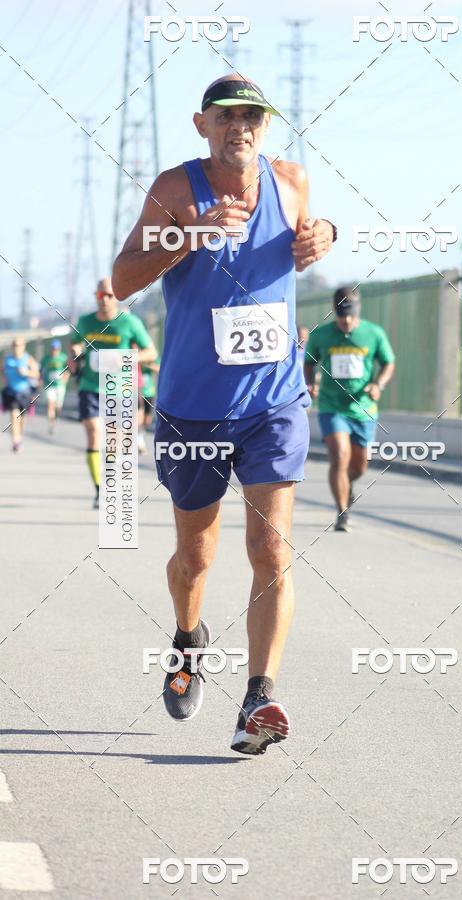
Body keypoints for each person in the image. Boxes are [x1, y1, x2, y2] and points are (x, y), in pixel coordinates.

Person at [112, 74, 335, 755]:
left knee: (271, 548)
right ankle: (188, 639)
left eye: (253, 117)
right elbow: (121, 280)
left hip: (273, 402)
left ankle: (258, 700)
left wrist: (325, 233)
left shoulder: (291, 180)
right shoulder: (177, 191)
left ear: (267, 127)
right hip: (193, 409)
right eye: (227, 117)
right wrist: (188, 237)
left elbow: (311, 232)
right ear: (201, 124)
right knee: (195, 556)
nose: (241, 127)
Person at [304, 287, 395, 532]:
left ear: (358, 310)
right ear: (334, 310)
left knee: (358, 466)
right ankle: (342, 512)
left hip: (364, 409)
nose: (346, 321)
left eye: (351, 316)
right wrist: (310, 383)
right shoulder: (321, 335)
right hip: (331, 407)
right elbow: (309, 363)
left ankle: (348, 486)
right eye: (342, 316)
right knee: (339, 455)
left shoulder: (373, 334)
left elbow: (388, 362)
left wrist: (378, 385)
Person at [69, 277, 157, 508]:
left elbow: (151, 352)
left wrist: (126, 358)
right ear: (95, 297)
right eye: (100, 295)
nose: (105, 300)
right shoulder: (86, 322)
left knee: (113, 442)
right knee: (93, 431)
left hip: (118, 388)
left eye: (109, 295)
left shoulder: (129, 323)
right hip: (90, 385)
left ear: (116, 297)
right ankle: (99, 489)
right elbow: (74, 342)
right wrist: (74, 355)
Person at [2, 337, 39, 452]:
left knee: (22, 420)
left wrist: (27, 372)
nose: (16, 347)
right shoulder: (6, 359)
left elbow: (37, 374)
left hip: (24, 393)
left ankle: (19, 435)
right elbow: (1, 370)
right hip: (11, 393)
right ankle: (15, 441)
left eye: (18, 345)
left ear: (23, 346)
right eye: (14, 345)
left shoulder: (28, 359)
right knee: (14, 416)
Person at [41, 338, 69, 433]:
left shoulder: (63, 358)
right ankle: (51, 425)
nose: (54, 350)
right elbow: (41, 370)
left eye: (56, 348)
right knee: (50, 405)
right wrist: (41, 380)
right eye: (53, 348)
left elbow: (68, 371)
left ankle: (55, 419)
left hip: (60, 386)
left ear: (59, 349)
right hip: (49, 386)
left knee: (58, 407)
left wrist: (64, 379)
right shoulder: (46, 359)